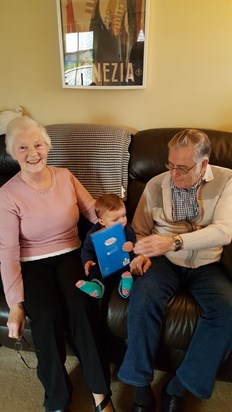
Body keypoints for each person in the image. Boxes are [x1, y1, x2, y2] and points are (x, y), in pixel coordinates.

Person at [0, 116, 115, 412]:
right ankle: (57, 399)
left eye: (38, 144)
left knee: (82, 309)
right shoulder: (7, 194)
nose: (33, 153)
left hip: (70, 254)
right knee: (46, 317)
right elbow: (8, 250)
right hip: (32, 262)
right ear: (13, 153)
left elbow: (93, 212)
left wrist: (119, 239)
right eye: (23, 147)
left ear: (47, 146)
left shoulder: (65, 176)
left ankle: (101, 393)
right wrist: (15, 304)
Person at [117, 129, 232, 412]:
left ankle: (178, 387)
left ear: (203, 164)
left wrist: (174, 241)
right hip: (164, 260)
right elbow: (141, 230)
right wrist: (141, 253)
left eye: (182, 168)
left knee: (228, 312)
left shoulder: (227, 180)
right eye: (170, 165)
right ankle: (141, 389)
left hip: (207, 262)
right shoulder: (156, 184)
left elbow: (224, 231)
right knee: (142, 300)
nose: (174, 174)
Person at [76, 193, 136, 299]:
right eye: (115, 219)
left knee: (127, 267)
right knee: (95, 270)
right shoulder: (94, 233)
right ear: (102, 221)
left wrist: (131, 245)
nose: (122, 221)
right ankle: (97, 287)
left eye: (124, 215)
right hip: (103, 264)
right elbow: (86, 249)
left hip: (121, 260)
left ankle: (125, 285)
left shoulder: (127, 228)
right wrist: (87, 260)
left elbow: (133, 240)